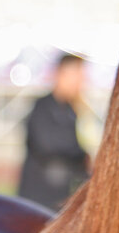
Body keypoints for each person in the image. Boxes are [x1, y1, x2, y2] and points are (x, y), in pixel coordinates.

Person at [17, 53, 90, 211]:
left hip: (60, 196)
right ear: (61, 74)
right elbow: (47, 144)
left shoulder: (70, 110)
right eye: (77, 77)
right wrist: (81, 154)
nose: (80, 83)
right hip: (38, 198)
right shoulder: (42, 107)